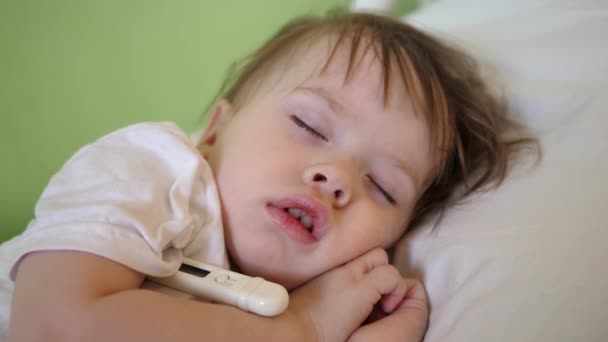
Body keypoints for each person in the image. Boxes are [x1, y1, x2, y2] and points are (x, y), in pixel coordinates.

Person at [0, 10, 529, 341]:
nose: (336, 175)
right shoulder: (154, 171)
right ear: (215, 129)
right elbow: (52, 327)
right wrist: (302, 328)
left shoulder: (329, 301)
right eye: (308, 124)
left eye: (384, 187)